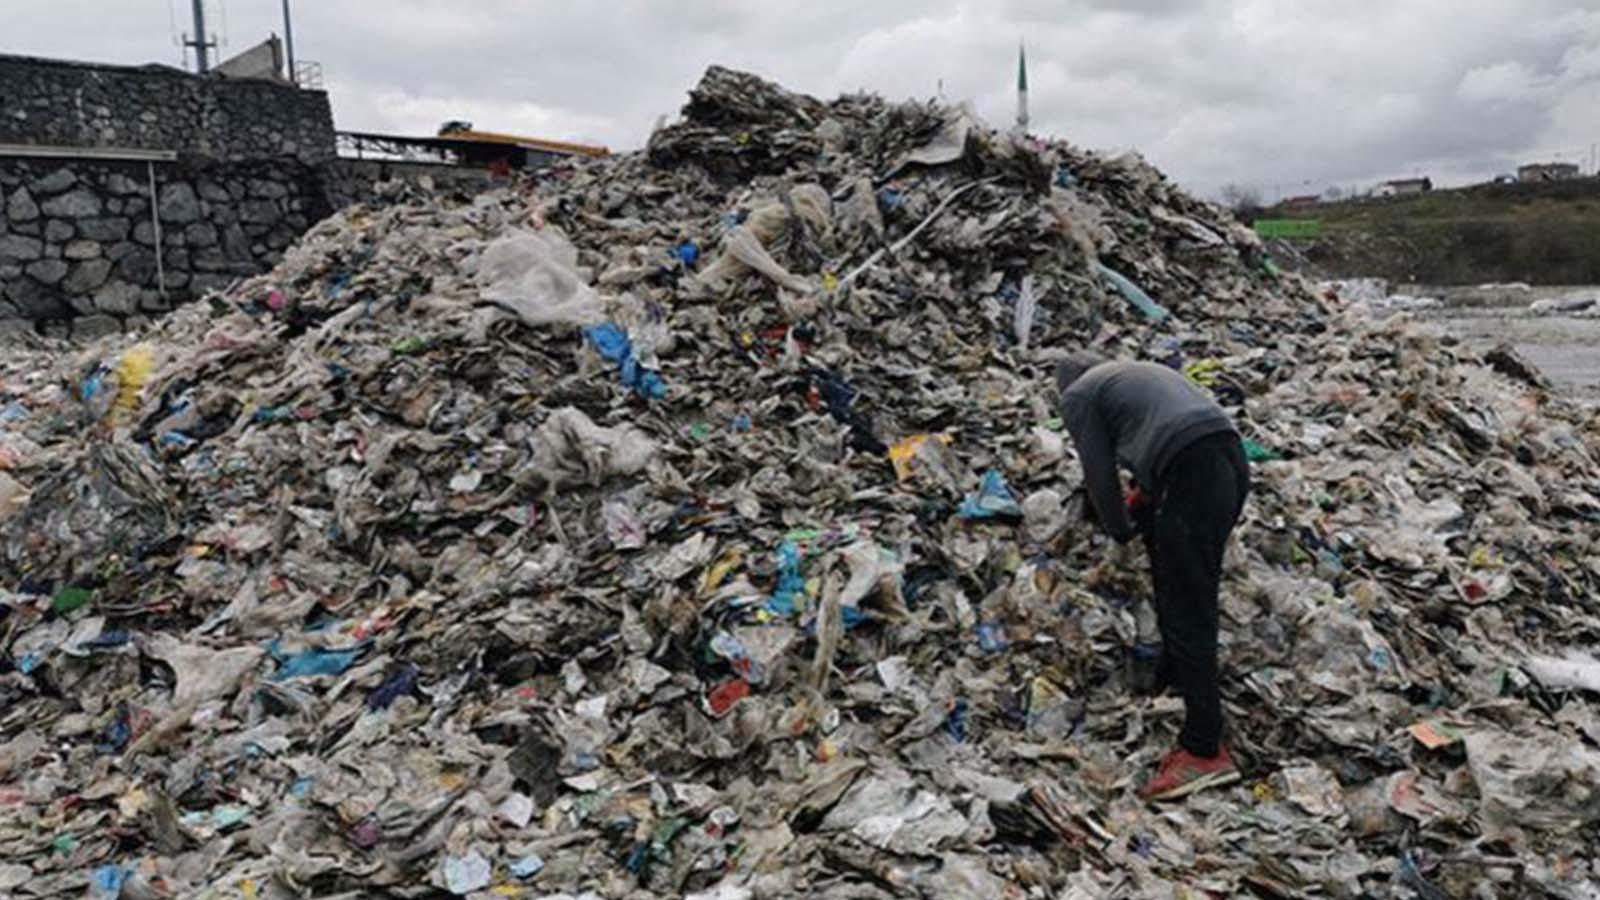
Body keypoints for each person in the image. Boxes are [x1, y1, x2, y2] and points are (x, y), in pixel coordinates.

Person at [1054, 351, 1250, 801]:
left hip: (1192, 469)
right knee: (1179, 577)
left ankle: (1203, 749)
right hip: (1228, 459)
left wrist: (1119, 529)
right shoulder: (1130, 376)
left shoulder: (1078, 397)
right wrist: (1144, 504)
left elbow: (1099, 476)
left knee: (1187, 607)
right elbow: (1160, 441)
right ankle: (1176, 673)